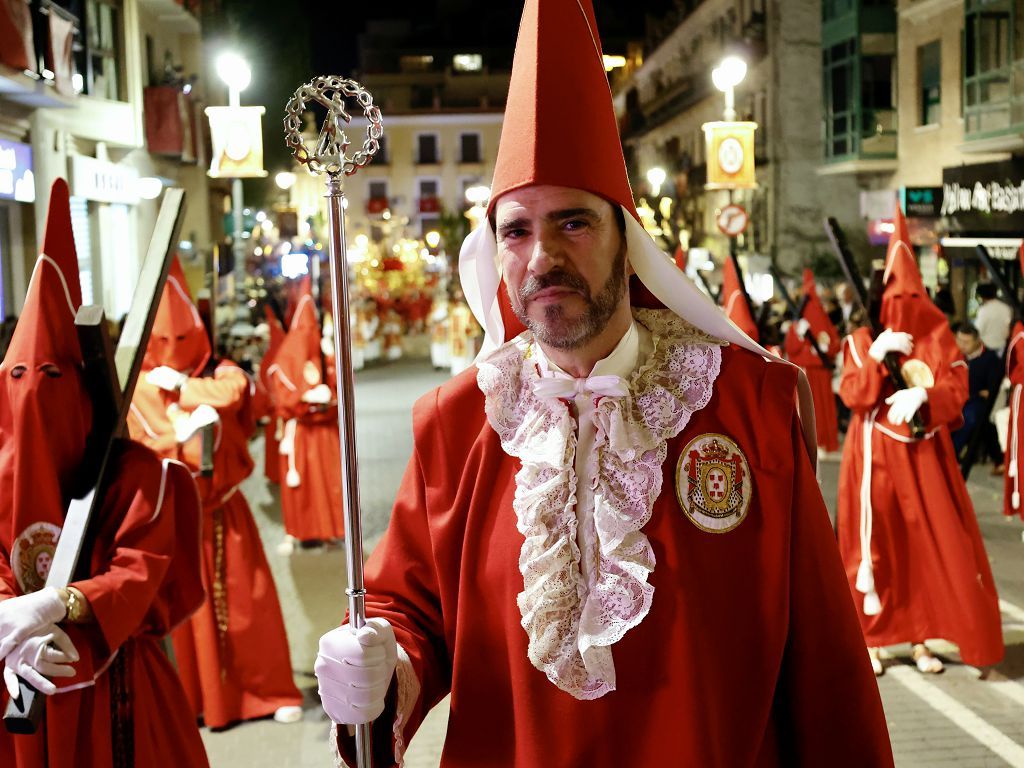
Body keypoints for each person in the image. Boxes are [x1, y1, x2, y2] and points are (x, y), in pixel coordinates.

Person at [313, 2, 894, 766]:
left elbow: (824, 659)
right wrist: (382, 660)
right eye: (516, 230)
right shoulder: (454, 424)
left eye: (574, 223)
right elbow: (411, 607)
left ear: (629, 242)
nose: (543, 254)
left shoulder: (750, 405)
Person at [0, 180, 209, 767]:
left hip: (119, 691)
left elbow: (140, 569)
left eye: (50, 375)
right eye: (17, 376)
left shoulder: (135, 473)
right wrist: (10, 627)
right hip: (18, 683)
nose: (33, 394)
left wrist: (61, 603)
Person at [127, 257, 303, 728]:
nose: (171, 349)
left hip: (225, 513)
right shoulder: (137, 387)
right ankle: (195, 701)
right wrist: (185, 431)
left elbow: (236, 393)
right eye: (162, 340)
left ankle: (265, 692)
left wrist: (186, 387)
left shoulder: (216, 371)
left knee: (249, 606)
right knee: (184, 617)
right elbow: (150, 445)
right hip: (170, 520)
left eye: (181, 339)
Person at [836, 206, 1003, 678]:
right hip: (874, 457)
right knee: (873, 546)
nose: (905, 300)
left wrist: (923, 395)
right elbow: (853, 394)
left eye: (913, 292)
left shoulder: (939, 337)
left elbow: (956, 390)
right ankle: (872, 637)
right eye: (896, 291)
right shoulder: (861, 339)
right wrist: (875, 357)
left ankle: (920, 635)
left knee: (925, 547)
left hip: (924, 455)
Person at [267, 281, 344, 551]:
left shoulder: (324, 355)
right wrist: (305, 398)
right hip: (301, 433)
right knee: (304, 487)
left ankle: (330, 529)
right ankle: (300, 531)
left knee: (328, 482)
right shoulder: (288, 358)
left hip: (325, 433)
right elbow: (284, 396)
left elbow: (339, 391)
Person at [784, 269, 841, 455]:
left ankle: (822, 441)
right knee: (808, 409)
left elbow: (833, 343)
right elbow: (791, 349)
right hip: (806, 371)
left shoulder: (822, 318)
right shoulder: (800, 321)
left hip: (819, 372)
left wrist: (825, 350)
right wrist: (799, 336)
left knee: (820, 408)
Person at [951, 322, 1004, 471]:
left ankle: (952, 456)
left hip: (976, 400)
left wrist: (982, 392)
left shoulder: (990, 358)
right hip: (956, 396)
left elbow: (990, 390)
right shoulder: (956, 354)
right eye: (959, 340)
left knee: (970, 418)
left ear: (977, 341)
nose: (962, 345)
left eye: (966, 342)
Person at [974, 282, 1013, 353]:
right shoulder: (1006, 308)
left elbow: (978, 330)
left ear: (981, 296)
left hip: (987, 346)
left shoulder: (983, 310)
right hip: (1002, 346)